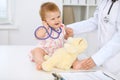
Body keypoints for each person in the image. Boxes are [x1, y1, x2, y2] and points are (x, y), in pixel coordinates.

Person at [67, 0, 120, 74]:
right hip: (103, 62)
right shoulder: (104, 2)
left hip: (116, 64)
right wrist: (70, 29)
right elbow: (95, 21)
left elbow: (118, 39)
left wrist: (97, 59)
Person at [30, 2, 73, 70]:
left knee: (70, 52)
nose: (57, 20)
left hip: (57, 52)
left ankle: (75, 63)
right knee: (37, 51)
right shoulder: (44, 29)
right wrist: (45, 27)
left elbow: (65, 38)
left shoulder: (62, 27)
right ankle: (40, 62)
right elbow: (38, 36)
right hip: (45, 51)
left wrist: (69, 35)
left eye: (58, 17)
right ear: (45, 21)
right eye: (53, 19)